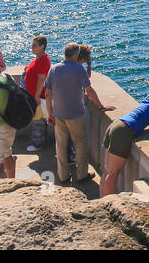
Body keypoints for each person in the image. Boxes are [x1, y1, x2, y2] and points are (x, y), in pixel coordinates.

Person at [42, 43, 114, 184]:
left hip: (58, 113)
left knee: (61, 145)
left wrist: (50, 113)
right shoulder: (78, 69)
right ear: (76, 55)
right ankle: (81, 175)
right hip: (75, 113)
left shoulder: (54, 68)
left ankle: (63, 176)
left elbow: (48, 94)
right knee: (80, 144)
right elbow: (89, 90)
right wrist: (101, 107)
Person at [100, 78, 149, 197]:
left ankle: (102, 200)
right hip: (124, 131)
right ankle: (108, 202)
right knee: (113, 173)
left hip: (116, 125)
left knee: (107, 170)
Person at [22, 36, 51, 152]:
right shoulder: (39, 58)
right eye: (32, 45)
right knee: (37, 118)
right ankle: (39, 141)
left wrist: (37, 96)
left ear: (42, 46)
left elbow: (41, 80)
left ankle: (38, 144)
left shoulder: (43, 60)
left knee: (38, 120)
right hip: (33, 95)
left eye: (34, 45)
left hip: (38, 97)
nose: (32, 48)